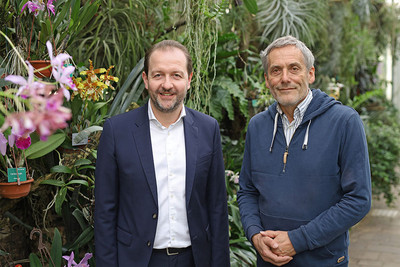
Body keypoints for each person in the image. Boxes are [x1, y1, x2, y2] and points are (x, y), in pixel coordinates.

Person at [237, 35, 371, 266]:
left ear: (310, 74)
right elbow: (248, 191)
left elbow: (358, 200)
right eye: (276, 70)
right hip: (268, 260)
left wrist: (297, 240)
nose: (285, 78)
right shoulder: (257, 126)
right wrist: (255, 235)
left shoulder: (344, 121)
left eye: (294, 68)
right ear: (267, 79)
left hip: (323, 261)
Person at [94, 40, 230, 267]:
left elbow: (217, 208)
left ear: (189, 79)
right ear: (146, 80)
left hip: (195, 259)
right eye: (158, 75)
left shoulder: (208, 129)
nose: (167, 84)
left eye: (176, 75)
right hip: (137, 260)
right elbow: (105, 212)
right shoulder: (117, 131)